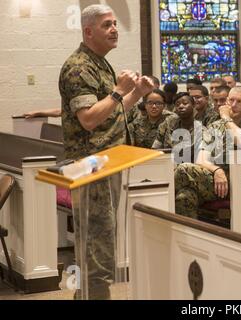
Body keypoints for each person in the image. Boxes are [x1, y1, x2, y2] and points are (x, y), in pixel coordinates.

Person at [59, 4, 154, 299]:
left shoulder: (99, 62)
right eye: (106, 25)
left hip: (109, 163)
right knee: (97, 250)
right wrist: (117, 90)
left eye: (115, 24)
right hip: (91, 168)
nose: (114, 29)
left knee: (104, 245)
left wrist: (135, 93)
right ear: (88, 31)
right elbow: (88, 119)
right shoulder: (79, 67)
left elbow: (109, 115)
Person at [174, 86, 241, 218]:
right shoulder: (215, 126)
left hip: (238, 183)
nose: (233, 105)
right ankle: (191, 236)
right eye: (231, 100)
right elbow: (201, 160)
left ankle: (155, 196)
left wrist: (226, 117)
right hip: (215, 181)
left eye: (239, 102)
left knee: (183, 169)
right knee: (184, 196)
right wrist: (217, 170)